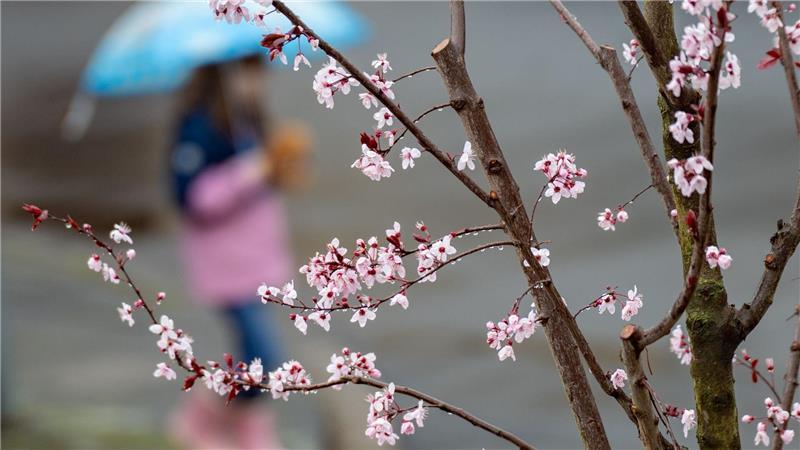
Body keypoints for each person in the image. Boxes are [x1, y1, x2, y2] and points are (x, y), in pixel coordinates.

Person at [167, 54, 311, 450]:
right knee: (265, 356)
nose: (260, 78)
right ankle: (202, 418)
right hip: (226, 266)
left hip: (256, 260)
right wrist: (250, 173)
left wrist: (279, 167)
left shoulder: (248, 118)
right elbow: (192, 198)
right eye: (250, 68)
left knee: (253, 356)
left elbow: (259, 186)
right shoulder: (199, 126)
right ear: (223, 71)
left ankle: (242, 429)